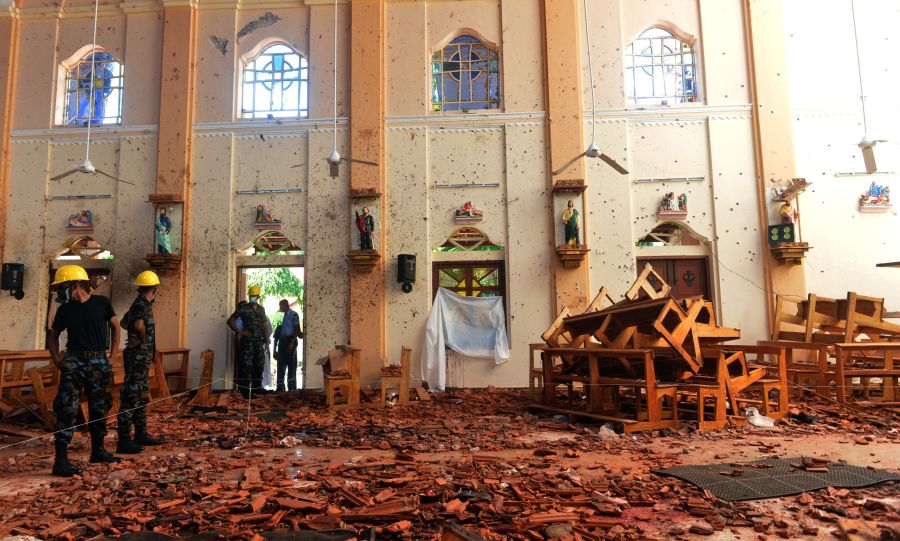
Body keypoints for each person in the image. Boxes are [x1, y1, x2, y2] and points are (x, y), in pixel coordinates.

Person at [47, 264, 122, 477]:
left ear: (75, 284)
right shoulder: (64, 310)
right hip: (74, 360)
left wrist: (113, 356)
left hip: (98, 360)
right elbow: (53, 335)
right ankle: (60, 462)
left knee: (100, 406)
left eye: (62, 286)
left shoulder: (102, 303)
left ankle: (98, 451)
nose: (60, 290)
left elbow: (116, 326)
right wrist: (56, 359)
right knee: (66, 408)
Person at [116, 270, 164, 454]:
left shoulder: (139, 305)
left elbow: (123, 322)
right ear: (155, 288)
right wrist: (141, 339)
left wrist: (138, 336)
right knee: (131, 396)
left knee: (141, 394)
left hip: (141, 358)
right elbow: (136, 325)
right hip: (138, 357)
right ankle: (125, 439)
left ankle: (140, 433)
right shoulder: (142, 305)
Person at [227, 285, 268, 398]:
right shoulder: (243, 308)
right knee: (246, 366)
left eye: (254, 296)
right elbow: (230, 321)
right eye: (251, 296)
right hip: (247, 342)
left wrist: (267, 342)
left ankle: (257, 388)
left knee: (259, 365)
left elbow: (264, 325)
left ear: (258, 296)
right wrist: (241, 332)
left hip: (259, 342)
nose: (252, 297)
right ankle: (245, 391)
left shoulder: (261, 309)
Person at [275, 299, 303, 392]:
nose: (280, 308)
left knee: (291, 365)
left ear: (284, 305)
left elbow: (296, 329)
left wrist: (292, 341)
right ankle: (280, 387)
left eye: (280, 306)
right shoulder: (285, 315)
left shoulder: (294, 315)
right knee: (281, 364)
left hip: (290, 340)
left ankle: (291, 387)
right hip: (283, 342)